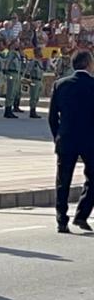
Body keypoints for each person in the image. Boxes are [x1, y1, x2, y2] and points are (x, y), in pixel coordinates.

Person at [48, 50, 94, 234]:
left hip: (66, 139)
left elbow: (52, 117)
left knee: (63, 181)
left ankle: (61, 220)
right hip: (90, 140)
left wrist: (57, 136)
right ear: (87, 64)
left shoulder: (61, 84)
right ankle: (82, 214)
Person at [24, 47, 47, 119]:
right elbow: (28, 71)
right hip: (34, 80)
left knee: (37, 97)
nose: (41, 53)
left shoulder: (40, 62)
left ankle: (34, 109)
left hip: (40, 80)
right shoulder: (33, 62)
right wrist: (27, 81)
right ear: (37, 53)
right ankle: (32, 111)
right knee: (33, 96)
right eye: (40, 52)